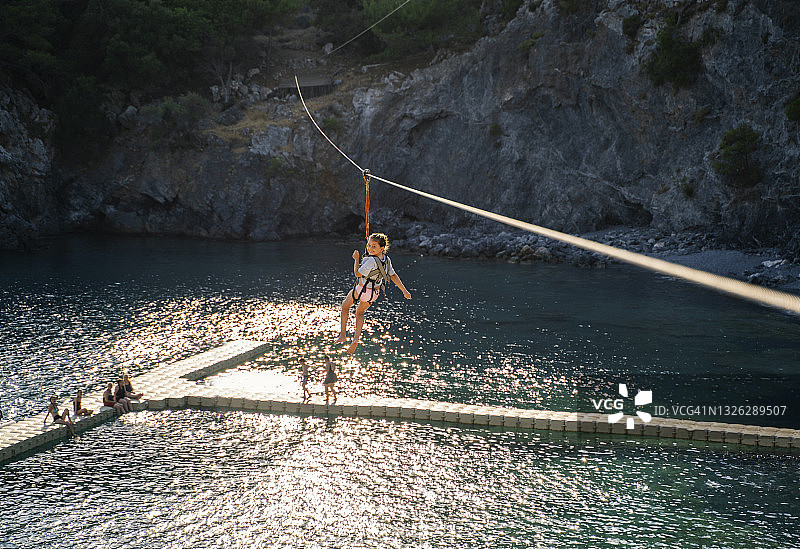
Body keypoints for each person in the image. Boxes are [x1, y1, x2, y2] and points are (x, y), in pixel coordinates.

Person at [336, 233, 411, 353]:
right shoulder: (386, 260)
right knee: (360, 313)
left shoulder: (371, 260)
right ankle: (355, 339)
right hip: (374, 293)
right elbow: (393, 276)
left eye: (374, 246)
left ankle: (343, 335)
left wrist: (356, 259)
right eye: (369, 245)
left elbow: (357, 273)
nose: (370, 248)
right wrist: (404, 290)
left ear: (382, 248)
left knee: (345, 307)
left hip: (361, 289)